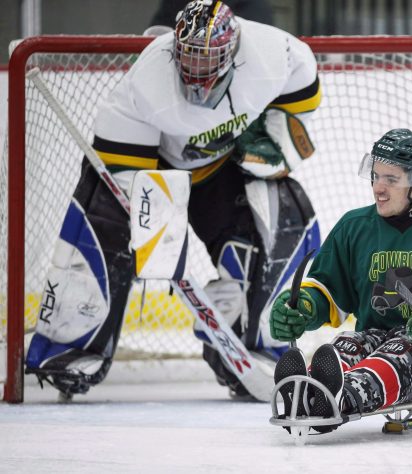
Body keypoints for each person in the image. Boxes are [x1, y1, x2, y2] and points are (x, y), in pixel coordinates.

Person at [25, 0, 322, 400]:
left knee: (287, 216)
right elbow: (126, 182)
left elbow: (299, 101)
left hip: (223, 167)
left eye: (208, 59)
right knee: (103, 217)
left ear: (233, 52)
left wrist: (273, 140)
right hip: (155, 165)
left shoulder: (275, 55)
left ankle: (256, 343)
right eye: (188, 57)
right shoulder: (146, 85)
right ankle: (72, 346)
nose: (195, 70)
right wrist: (160, 233)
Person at [269, 128, 412, 433]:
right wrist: (305, 306)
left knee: (401, 349)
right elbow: (328, 289)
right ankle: (308, 391)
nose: (379, 188)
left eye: (392, 179)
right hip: (375, 334)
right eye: (375, 176)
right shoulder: (354, 226)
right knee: (347, 345)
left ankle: (338, 398)